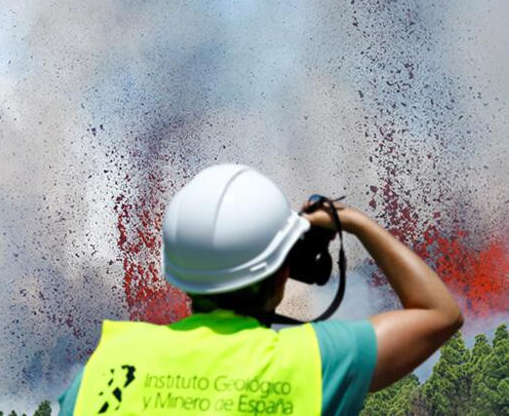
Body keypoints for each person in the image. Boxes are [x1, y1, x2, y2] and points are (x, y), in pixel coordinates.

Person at [58, 164, 463, 415]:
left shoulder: (104, 370)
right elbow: (438, 314)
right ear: (281, 273)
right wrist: (353, 222)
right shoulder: (310, 362)